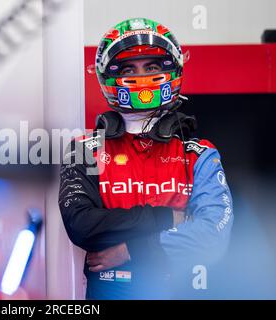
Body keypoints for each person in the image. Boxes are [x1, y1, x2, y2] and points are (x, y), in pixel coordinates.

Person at [59, 18, 233, 299]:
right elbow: (82, 227)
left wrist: (129, 250)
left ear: (172, 71)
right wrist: (170, 217)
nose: (141, 77)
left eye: (152, 67)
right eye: (129, 69)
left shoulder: (198, 153)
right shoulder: (84, 150)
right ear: (108, 77)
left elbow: (213, 235)